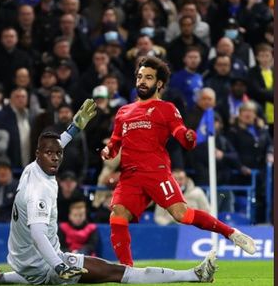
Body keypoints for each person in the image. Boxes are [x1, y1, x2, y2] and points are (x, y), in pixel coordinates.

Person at [0, 109, 218, 285]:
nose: (56, 157)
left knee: (37, 275)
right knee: (118, 273)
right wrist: (59, 266)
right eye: (50, 154)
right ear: (38, 154)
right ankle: (195, 275)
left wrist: (73, 129)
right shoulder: (39, 191)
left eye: (58, 153)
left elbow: (55, 145)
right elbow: (37, 232)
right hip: (44, 263)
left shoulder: (30, 169)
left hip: (24, 260)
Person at [101, 56, 255, 267]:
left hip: (156, 172)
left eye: (148, 77)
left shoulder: (166, 109)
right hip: (130, 175)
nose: (141, 82)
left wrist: (189, 136)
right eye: (139, 77)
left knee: (181, 214)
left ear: (159, 84)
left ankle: (231, 233)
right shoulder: (123, 112)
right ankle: (127, 271)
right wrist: (109, 150)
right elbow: (115, 142)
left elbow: (181, 134)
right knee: (117, 216)